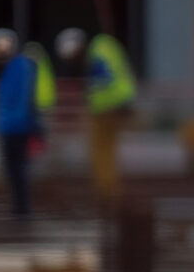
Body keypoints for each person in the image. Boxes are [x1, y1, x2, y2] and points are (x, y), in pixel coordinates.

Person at [57, 27, 138, 203]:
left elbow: (106, 79)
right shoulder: (102, 47)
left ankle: (108, 193)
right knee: (105, 152)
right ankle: (109, 191)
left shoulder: (99, 50)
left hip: (109, 108)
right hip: (113, 106)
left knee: (101, 152)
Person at [0, 29, 42, 220]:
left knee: (17, 169)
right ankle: (20, 207)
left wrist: (33, 126)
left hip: (17, 127)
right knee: (14, 170)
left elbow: (22, 100)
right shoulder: (16, 68)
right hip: (12, 126)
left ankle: (22, 208)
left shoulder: (20, 67)